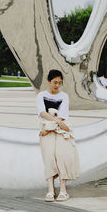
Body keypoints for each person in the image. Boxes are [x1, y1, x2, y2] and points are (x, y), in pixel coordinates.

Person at [37, 69, 80, 202]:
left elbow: (62, 117)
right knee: (49, 158)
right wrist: (53, 124)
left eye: (60, 83)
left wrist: (50, 127)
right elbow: (42, 113)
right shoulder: (41, 95)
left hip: (59, 130)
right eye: (55, 82)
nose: (57, 85)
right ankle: (50, 189)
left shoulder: (64, 96)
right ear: (49, 81)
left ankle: (63, 189)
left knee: (62, 157)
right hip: (47, 128)